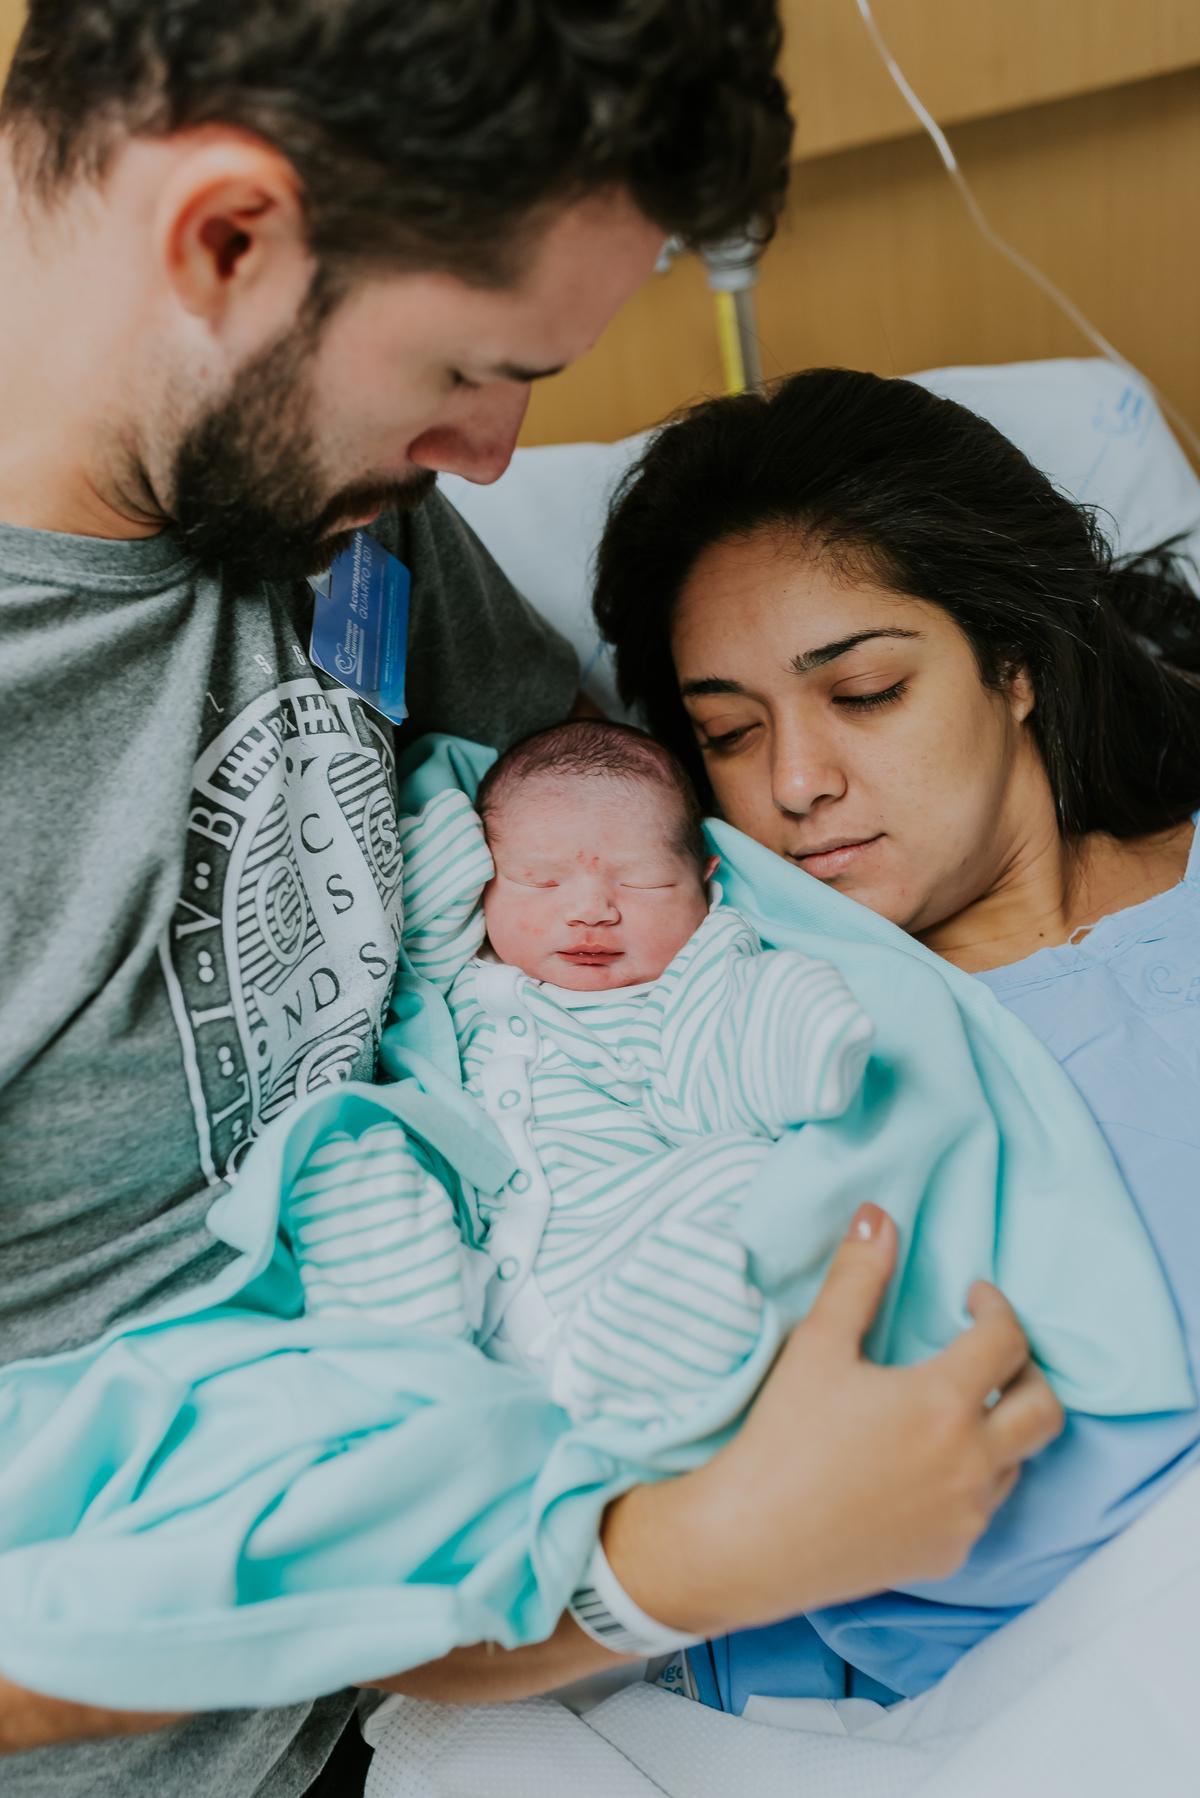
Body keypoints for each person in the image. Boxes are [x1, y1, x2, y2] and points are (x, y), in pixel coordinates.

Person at [0, 1, 1061, 1786]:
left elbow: (602, 803)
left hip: (496, 1585)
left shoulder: (317, 492)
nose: (491, 459)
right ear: (229, 239)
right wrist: (666, 1570)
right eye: (472, 374)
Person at [592, 363, 1200, 1707]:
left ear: (1015, 661)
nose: (797, 781)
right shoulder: (755, 1059)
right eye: (729, 733)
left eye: (862, 689)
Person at [287, 718, 873, 1423]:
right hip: (455, 1254)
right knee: (352, 1158)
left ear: (704, 884)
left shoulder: (683, 984)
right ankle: (403, 1366)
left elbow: (711, 1084)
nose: (591, 910)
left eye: (645, 882)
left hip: (613, 1269)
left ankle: (624, 1375)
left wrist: (795, 1028)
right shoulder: (458, 971)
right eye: (539, 880)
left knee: (748, 1175)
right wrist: (452, 832)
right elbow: (404, 929)